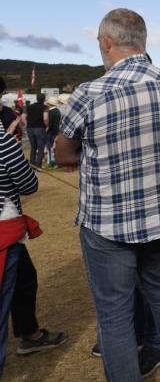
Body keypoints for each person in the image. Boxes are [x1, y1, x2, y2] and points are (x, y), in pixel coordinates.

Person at [55, 8, 160, 381]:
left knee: (115, 313)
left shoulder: (91, 91)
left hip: (109, 222)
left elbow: (63, 152)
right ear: (143, 40)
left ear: (106, 42)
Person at [0, 114, 39, 376]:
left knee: (26, 277)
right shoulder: (3, 141)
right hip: (4, 231)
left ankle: (30, 333)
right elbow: (28, 184)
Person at [25, 94, 46, 168]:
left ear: (36, 99)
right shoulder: (45, 107)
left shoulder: (29, 106)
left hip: (30, 128)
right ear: (44, 99)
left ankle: (32, 164)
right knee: (40, 148)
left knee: (33, 147)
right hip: (40, 128)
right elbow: (45, 118)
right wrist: (47, 126)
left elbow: (24, 117)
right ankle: (38, 165)